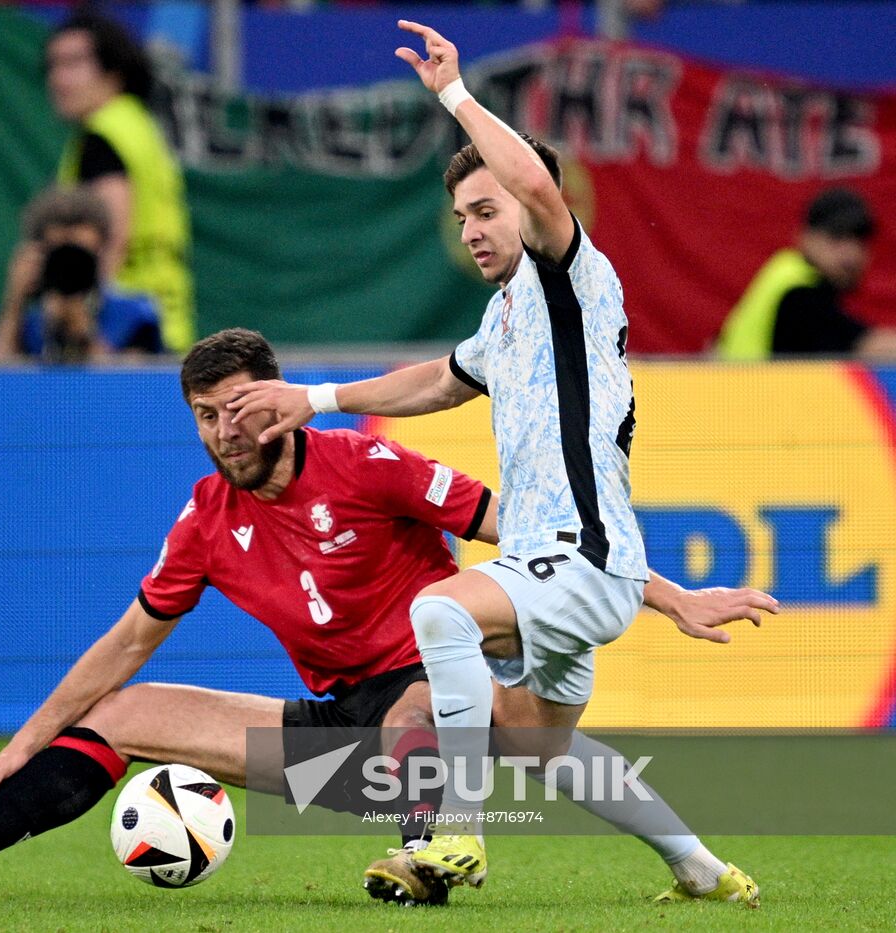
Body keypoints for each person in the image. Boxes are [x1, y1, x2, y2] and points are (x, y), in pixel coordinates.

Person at [0, 329, 772, 907]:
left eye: (241, 407)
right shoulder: (205, 520)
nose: (228, 430)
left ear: (279, 402)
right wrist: (19, 746)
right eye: (206, 416)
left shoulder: (366, 465)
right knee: (127, 710)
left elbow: (547, 531)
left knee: (463, 710)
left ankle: (442, 853)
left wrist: (670, 596)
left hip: (438, 709)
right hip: (340, 731)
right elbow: (123, 642)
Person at [226, 20, 759, 902]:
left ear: (530, 203)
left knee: (440, 610)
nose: (472, 229)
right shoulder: (510, 314)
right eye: (462, 216)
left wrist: (456, 97)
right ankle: (702, 869)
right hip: (568, 561)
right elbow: (437, 381)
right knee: (539, 739)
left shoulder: (569, 274)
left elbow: (534, 185)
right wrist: (314, 401)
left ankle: (456, 828)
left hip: (577, 560)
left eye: (487, 210)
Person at [0, 12, 194, 358]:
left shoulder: (104, 135)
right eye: (52, 66)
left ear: (114, 72)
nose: (57, 78)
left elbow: (114, 234)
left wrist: (79, 307)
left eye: (73, 64)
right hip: (167, 324)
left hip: (124, 334)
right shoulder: (139, 127)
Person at [716, 188, 895, 360]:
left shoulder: (784, 271)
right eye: (836, 237)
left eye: (860, 241)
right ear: (805, 237)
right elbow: (871, 346)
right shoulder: (797, 292)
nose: (851, 253)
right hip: (750, 390)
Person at [0, 188, 164, 362]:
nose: (69, 267)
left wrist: (83, 333)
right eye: (59, 256)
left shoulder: (135, 316)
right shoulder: (30, 323)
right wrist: (15, 301)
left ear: (101, 252)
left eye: (79, 257)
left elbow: (131, 384)